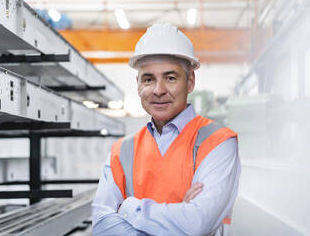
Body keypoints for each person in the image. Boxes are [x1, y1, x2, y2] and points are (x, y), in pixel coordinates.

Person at [92, 23, 241, 236]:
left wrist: (127, 208)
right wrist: (180, 214)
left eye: (170, 78)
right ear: (138, 84)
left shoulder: (219, 142)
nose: (158, 90)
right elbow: (102, 228)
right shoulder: (121, 151)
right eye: (148, 79)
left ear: (190, 82)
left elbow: (197, 223)